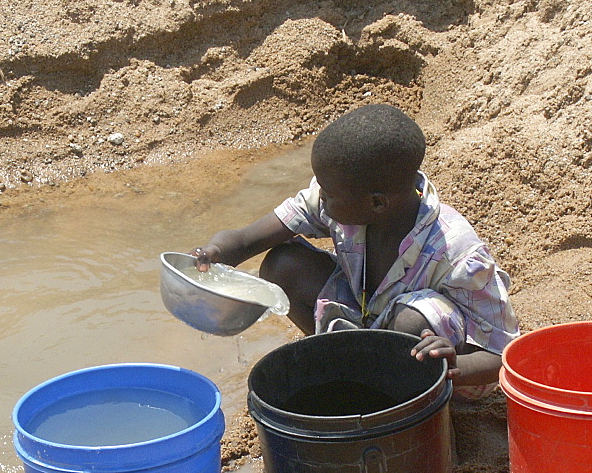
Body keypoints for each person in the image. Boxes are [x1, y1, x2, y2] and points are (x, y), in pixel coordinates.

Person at [190, 103, 520, 399]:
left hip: (440, 364)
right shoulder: (349, 204)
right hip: (371, 323)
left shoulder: (456, 252)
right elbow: (251, 237)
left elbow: (502, 355)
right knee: (283, 264)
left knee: (410, 320)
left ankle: (409, 405)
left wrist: (454, 363)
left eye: (329, 192)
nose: (320, 195)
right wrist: (218, 253)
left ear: (377, 203)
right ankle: (350, 367)